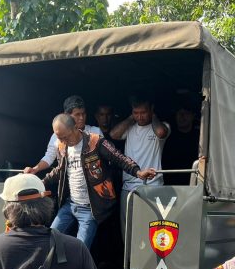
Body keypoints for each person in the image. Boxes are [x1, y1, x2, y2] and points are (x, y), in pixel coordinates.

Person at [41, 113, 155, 249]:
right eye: (59, 138)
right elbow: (60, 170)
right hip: (70, 205)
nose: (63, 141)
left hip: (90, 208)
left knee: (80, 249)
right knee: (50, 239)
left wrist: (138, 172)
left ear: (75, 128)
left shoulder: (96, 142)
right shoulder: (62, 145)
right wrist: (41, 182)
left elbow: (119, 157)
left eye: (65, 137)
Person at [109, 96, 170, 233]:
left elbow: (161, 133)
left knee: (152, 230)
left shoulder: (163, 126)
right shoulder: (130, 128)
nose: (140, 117)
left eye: (143, 112)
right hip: (129, 188)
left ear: (151, 109)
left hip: (153, 186)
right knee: (128, 231)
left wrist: (153, 115)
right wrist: (131, 118)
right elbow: (113, 134)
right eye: (136, 113)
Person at [24, 95, 104, 176]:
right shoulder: (57, 136)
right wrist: (35, 168)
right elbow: (49, 156)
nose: (81, 118)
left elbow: (106, 157)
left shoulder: (95, 132)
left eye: (83, 114)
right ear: (67, 115)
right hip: (69, 183)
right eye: (77, 114)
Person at [162, 98, 200, 185]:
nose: (182, 116)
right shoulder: (170, 138)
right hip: (172, 185)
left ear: (193, 116)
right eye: (179, 113)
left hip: (194, 184)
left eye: (186, 113)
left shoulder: (199, 138)